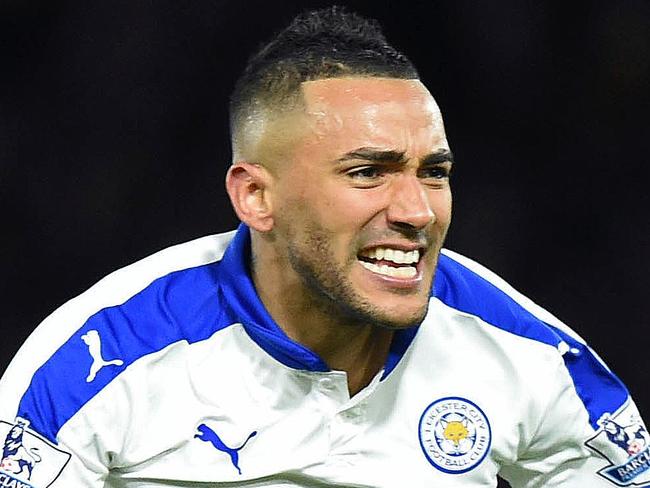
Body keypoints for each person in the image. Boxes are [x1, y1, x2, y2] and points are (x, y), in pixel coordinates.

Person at [0, 6, 647, 488]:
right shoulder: (93, 370)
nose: (418, 211)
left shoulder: (524, 353)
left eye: (434, 172)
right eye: (368, 172)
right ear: (256, 197)